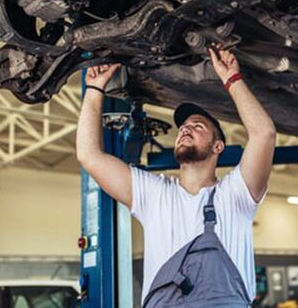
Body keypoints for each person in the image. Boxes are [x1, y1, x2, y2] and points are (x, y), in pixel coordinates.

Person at [76, 47, 276, 306]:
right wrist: (94, 90)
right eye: (182, 128)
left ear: (218, 147)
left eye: (197, 126)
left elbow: (264, 134)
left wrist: (232, 80)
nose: (185, 130)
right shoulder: (153, 194)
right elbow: (89, 155)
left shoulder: (236, 194)